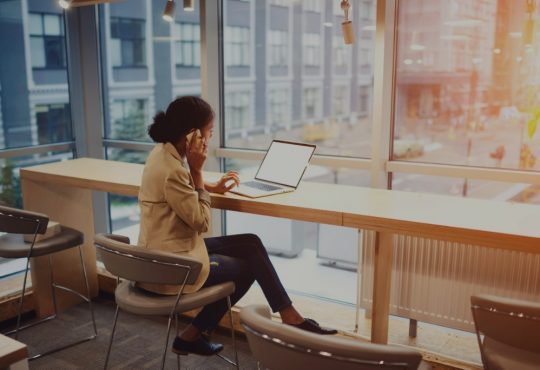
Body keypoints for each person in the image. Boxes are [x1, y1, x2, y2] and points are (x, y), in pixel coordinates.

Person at [137, 96, 336, 357]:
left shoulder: (162, 154)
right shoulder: (175, 169)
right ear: (193, 135)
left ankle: (289, 315)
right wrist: (198, 173)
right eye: (209, 132)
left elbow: (176, 187)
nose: (209, 139)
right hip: (173, 266)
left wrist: (208, 185)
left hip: (161, 252)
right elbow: (202, 222)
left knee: (250, 243)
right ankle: (194, 334)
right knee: (247, 269)